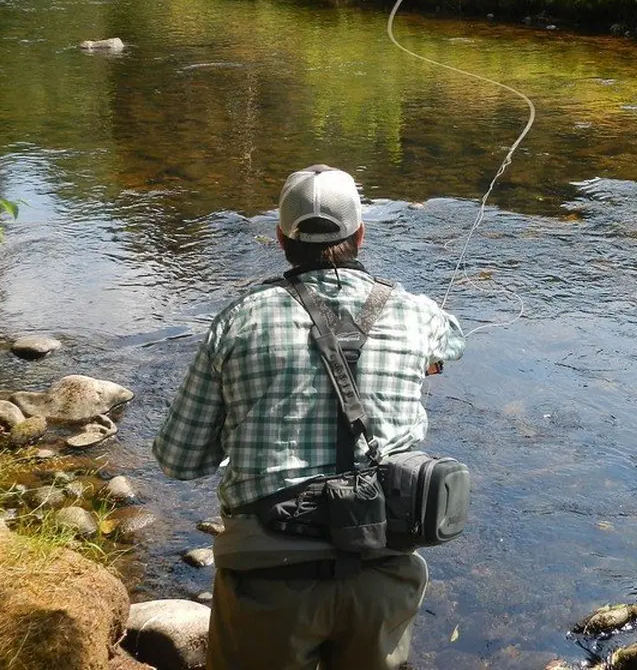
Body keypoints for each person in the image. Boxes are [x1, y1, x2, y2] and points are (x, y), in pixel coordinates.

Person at [153, 164, 466, 670]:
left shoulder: (238, 319)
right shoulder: (417, 313)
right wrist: (424, 357)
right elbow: (453, 340)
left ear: (281, 239)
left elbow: (179, 460)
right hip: (382, 574)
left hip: (266, 576)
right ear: (360, 235)